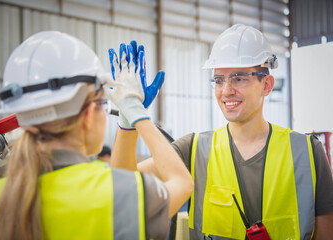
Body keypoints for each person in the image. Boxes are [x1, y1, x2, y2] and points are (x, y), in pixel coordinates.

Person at [115, 24, 333, 239]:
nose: (226, 91)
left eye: (239, 78)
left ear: (266, 85)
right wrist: (127, 118)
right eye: (219, 80)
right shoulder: (193, 150)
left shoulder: (308, 153)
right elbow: (121, 185)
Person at [0, 31, 193, 240]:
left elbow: (122, 178)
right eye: (104, 103)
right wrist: (134, 109)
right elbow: (182, 183)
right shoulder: (116, 193)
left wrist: (128, 122)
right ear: (88, 115)